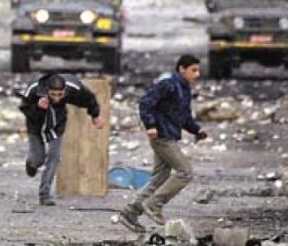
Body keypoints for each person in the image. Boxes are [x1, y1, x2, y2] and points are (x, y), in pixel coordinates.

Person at [118, 54, 207, 232]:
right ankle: (154, 204)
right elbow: (145, 103)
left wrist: (197, 130)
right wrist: (150, 125)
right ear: (181, 69)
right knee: (185, 172)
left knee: (160, 176)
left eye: (198, 70)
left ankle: (130, 213)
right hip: (162, 136)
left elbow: (184, 116)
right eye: (193, 70)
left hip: (169, 135)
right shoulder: (168, 84)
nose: (197, 74)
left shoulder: (184, 88)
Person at [19, 73, 104, 205]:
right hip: (36, 126)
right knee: (38, 159)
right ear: (47, 91)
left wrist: (95, 115)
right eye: (53, 94)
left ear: (65, 91)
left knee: (54, 156)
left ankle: (45, 194)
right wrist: (38, 108)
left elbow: (89, 98)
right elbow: (25, 110)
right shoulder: (34, 90)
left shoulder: (73, 87)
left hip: (56, 125)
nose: (57, 98)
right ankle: (32, 164)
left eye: (60, 95)